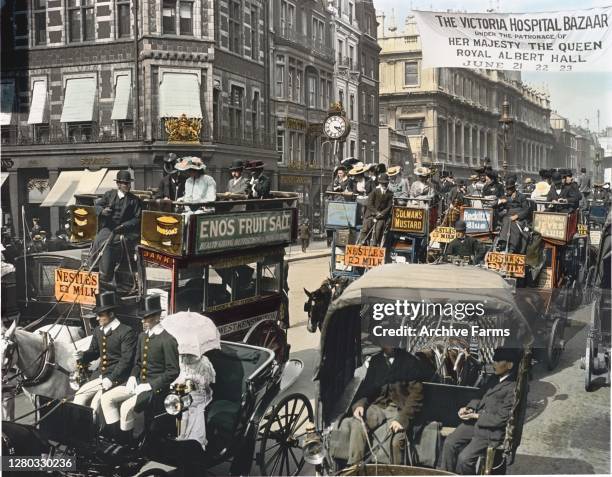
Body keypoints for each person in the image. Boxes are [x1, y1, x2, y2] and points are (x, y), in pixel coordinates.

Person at [100, 295, 180, 443]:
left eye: (147, 317)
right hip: (138, 383)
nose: (143, 321)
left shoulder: (167, 340)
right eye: (142, 317)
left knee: (125, 407)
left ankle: (126, 444)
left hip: (156, 389)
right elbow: (137, 363)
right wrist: (132, 377)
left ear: (157, 317)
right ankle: (115, 438)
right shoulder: (143, 336)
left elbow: (173, 371)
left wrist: (150, 385)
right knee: (106, 399)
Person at [338, 345, 433, 465]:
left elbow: (417, 395)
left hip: (401, 409)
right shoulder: (376, 360)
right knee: (358, 424)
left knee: (397, 441)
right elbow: (367, 389)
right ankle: (356, 469)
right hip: (379, 406)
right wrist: (360, 405)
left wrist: (402, 419)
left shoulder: (410, 361)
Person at [440, 347, 519, 474]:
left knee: (464, 459)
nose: (494, 364)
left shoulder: (513, 388)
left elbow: (501, 419)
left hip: (490, 430)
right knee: (449, 443)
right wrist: (469, 408)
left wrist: (476, 416)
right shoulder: (494, 379)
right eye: (494, 361)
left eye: (498, 361)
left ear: (509, 365)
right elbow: (479, 396)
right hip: (476, 423)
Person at [73, 292, 136, 419]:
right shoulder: (98, 331)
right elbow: (94, 352)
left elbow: (126, 360)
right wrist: (83, 355)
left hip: (119, 377)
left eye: (100, 315)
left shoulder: (126, 332)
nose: (97, 319)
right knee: (79, 396)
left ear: (111, 314)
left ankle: (102, 435)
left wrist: (111, 378)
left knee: (96, 404)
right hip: (101, 376)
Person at [91, 170, 142, 288]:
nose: (128, 186)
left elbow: (137, 219)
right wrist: (102, 211)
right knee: (98, 239)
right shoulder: (109, 194)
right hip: (109, 227)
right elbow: (96, 206)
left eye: (129, 183)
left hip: (126, 231)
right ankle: (92, 266)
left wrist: (124, 226)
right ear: (118, 184)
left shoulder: (134, 200)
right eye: (125, 183)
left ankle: (106, 274)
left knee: (109, 243)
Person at [172, 353, 216, 450]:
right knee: (175, 402)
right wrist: (175, 383)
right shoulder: (182, 359)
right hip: (185, 391)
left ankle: (188, 436)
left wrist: (193, 378)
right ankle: (180, 433)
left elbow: (206, 382)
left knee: (188, 405)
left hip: (200, 392)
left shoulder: (204, 361)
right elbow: (179, 376)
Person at [496, 178, 531, 254]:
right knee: (506, 220)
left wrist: (517, 216)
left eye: (509, 189)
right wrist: (500, 202)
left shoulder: (521, 197)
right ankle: (503, 243)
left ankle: (512, 247)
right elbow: (495, 206)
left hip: (519, 218)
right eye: (507, 189)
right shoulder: (505, 197)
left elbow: (526, 210)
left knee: (513, 224)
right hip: (508, 217)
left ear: (513, 189)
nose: (507, 191)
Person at [358, 173, 394, 246]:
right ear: (380, 183)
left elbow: (389, 206)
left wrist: (382, 214)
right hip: (370, 214)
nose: (384, 185)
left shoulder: (390, 194)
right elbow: (369, 204)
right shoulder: (374, 191)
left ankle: (374, 245)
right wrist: (376, 212)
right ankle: (361, 243)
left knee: (378, 229)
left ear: (388, 183)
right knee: (365, 228)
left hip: (381, 217)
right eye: (382, 183)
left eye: (386, 183)